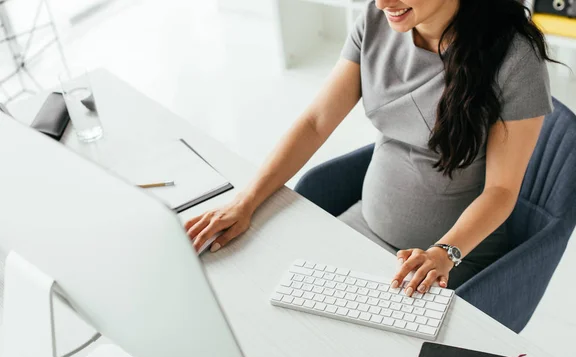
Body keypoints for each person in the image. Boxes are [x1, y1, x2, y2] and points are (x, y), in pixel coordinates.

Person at [185, 0, 554, 297]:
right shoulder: (376, 21)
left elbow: (502, 191)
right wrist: (244, 202)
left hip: (449, 259)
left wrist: (445, 253)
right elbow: (316, 122)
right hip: (363, 225)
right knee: (257, 289)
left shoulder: (515, 59)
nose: (383, 2)